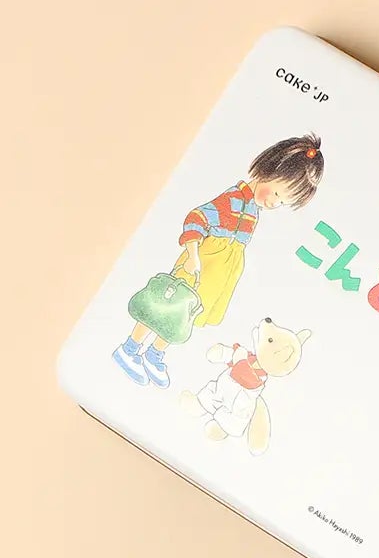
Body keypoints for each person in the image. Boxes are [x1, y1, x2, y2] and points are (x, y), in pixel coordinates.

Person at [113, 134, 325, 388]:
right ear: (267, 170)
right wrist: (193, 256)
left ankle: (154, 353)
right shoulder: (234, 199)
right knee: (165, 306)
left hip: (218, 275)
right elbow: (197, 218)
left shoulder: (253, 209)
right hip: (202, 264)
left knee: (183, 315)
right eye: (277, 192)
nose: (274, 202)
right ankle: (130, 348)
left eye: (281, 201)